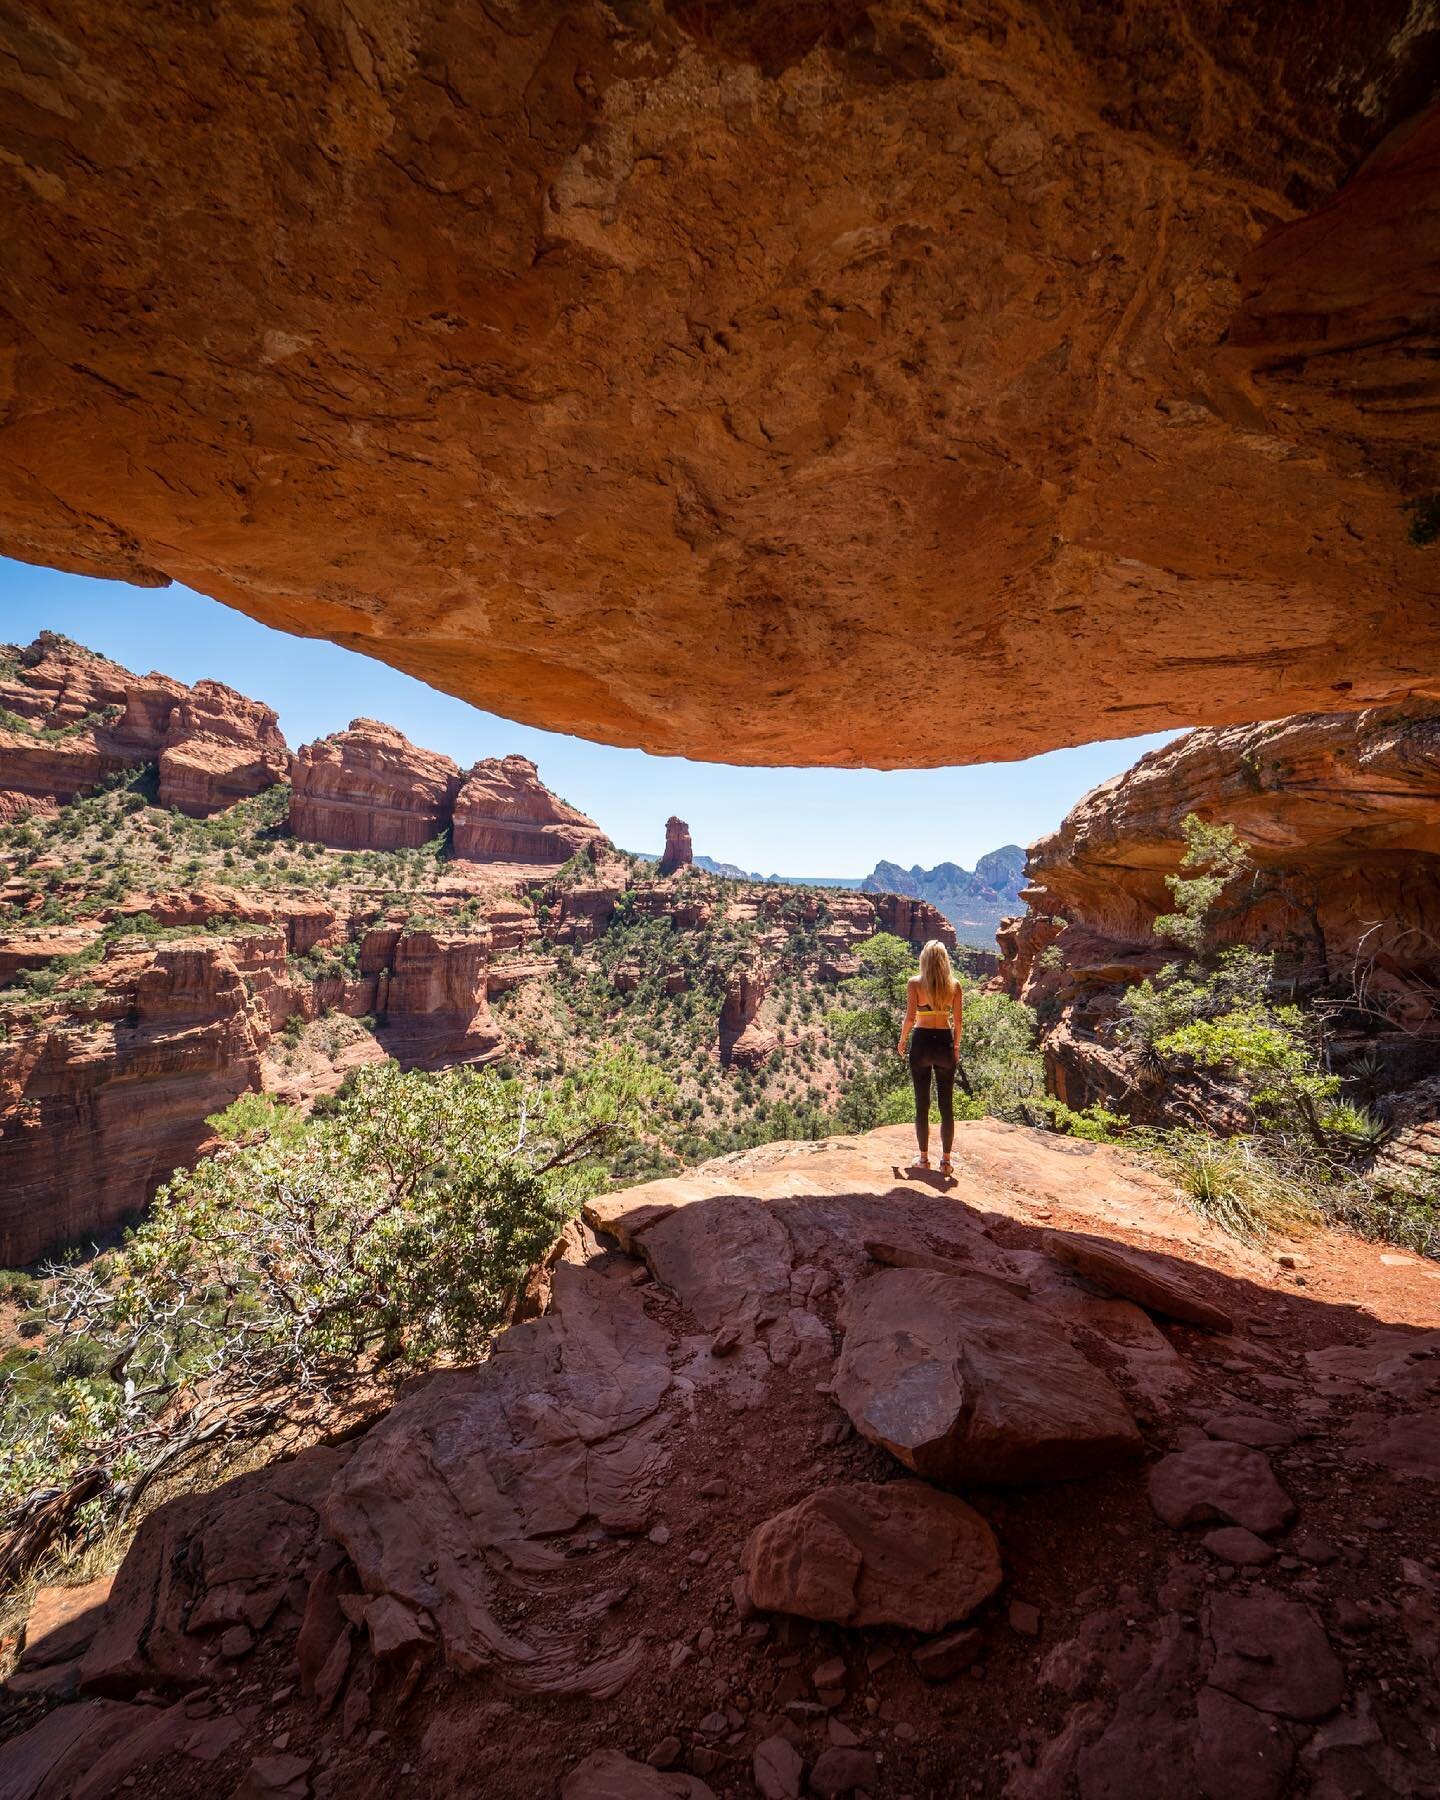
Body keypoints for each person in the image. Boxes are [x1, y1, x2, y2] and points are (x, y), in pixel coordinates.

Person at [897, 939, 963, 1174]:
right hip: (944, 1042)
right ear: (945, 960)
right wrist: (955, 1047)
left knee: (921, 1103)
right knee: (946, 1105)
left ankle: (923, 1159)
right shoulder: (954, 985)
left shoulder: (915, 983)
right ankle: (946, 1162)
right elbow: (958, 1022)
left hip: (922, 1043)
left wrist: (903, 1040)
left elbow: (909, 1018)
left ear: (924, 959)